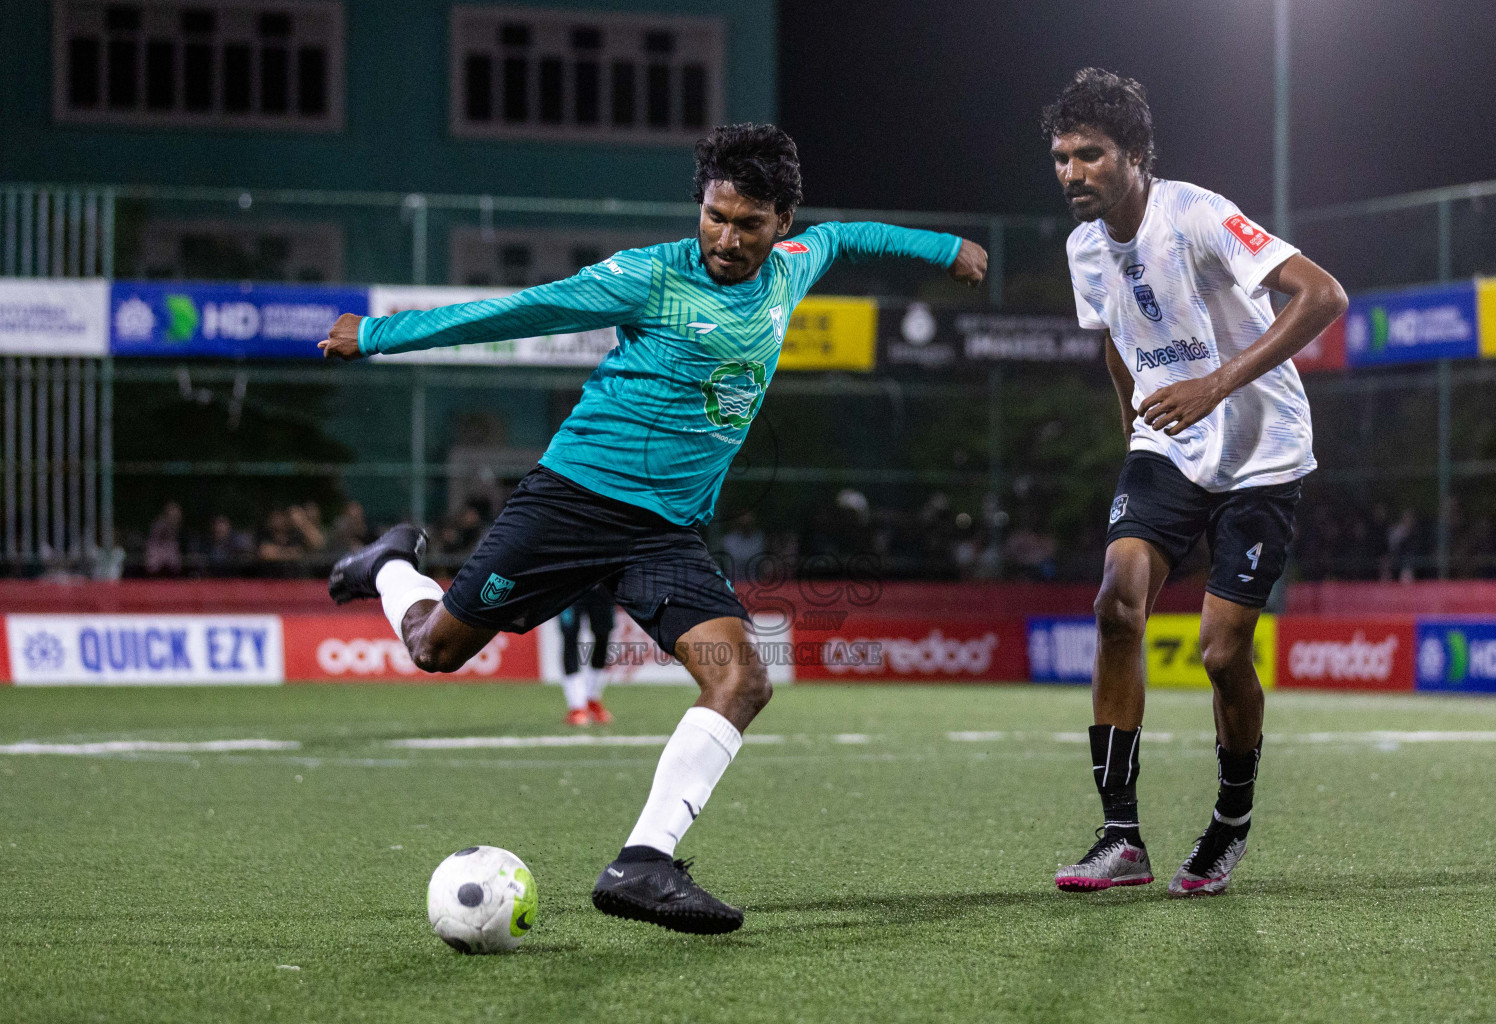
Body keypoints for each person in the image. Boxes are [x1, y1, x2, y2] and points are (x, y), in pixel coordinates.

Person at [323, 122, 987, 933]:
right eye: (714, 216)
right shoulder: (649, 276)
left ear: (782, 223)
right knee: (436, 649)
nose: (727, 238)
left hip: (664, 535)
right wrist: (381, 335)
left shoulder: (794, 266)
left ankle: (642, 862)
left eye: (748, 223)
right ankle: (392, 565)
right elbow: (523, 309)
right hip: (573, 503)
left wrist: (944, 246)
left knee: (742, 678)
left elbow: (852, 233)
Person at [1043, 70, 1347, 896]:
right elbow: (1114, 340)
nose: (1073, 172)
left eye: (1091, 155)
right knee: (1116, 603)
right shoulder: (1081, 248)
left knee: (1220, 654)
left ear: (1135, 156)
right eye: (1062, 157)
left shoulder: (1197, 214)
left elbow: (1324, 295)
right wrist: (1131, 430)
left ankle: (1232, 821)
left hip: (1262, 451)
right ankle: (1121, 838)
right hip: (1167, 445)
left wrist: (1215, 385)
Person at [558, 585, 616, 726]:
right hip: (569, 584)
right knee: (569, 636)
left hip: (601, 582)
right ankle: (577, 705)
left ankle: (591, 696)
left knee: (603, 636)